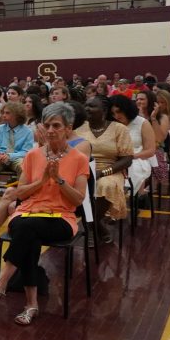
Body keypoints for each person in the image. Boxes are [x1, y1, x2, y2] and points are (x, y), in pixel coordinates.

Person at [0, 102, 89, 326]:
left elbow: (78, 200)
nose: (50, 130)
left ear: (68, 128)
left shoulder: (78, 159)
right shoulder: (33, 155)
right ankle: (30, 305)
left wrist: (58, 180)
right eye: (47, 125)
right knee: (27, 233)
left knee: (25, 230)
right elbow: (21, 193)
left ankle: (1, 285)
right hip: (28, 213)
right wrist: (43, 180)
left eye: (56, 125)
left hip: (61, 218)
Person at [74, 96, 133, 239]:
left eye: (92, 106)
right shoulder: (78, 128)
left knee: (104, 185)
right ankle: (96, 226)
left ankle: (89, 224)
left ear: (105, 110)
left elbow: (127, 159)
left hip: (110, 170)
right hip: (81, 169)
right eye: (86, 105)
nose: (87, 108)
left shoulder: (119, 129)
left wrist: (101, 172)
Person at [108, 94, 156, 197]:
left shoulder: (142, 123)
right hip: (115, 157)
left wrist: (129, 157)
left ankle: (124, 194)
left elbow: (151, 151)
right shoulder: (112, 123)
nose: (116, 116)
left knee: (131, 168)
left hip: (138, 158)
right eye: (113, 113)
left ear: (127, 109)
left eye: (119, 112)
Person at [0, 101, 35, 175]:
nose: (3, 115)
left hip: (17, 158)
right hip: (0, 158)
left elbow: (27, 152)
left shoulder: (28, 132)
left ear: (17, 115)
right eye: (3, 113)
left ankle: (21, 185)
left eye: (7, 113)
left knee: (23, 166)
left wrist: (9, 156)